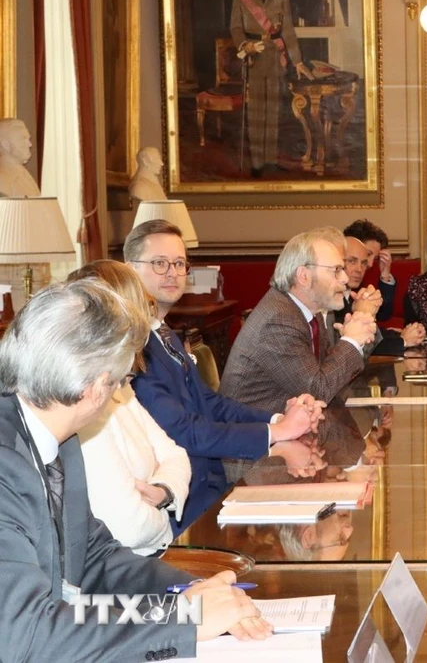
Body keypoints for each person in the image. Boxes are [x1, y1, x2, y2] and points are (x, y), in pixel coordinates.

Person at [0, 279, 272, 659]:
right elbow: (26, 634)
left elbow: (96, 558)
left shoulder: (57, 436)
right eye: (120, 381)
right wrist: (180, 624)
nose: (118, 394)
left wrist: (191, 597)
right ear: (95, 389)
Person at [126, 220, 323, 533]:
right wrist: (278, 432)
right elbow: (187, 432)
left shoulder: (165, 333)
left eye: (179, 264)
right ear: (130, 269)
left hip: (211, 491)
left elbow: (209, 402)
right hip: (182, 511)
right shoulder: (133, 347)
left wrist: (277, 420)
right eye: (159, 263)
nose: (173, 273)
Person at [67, 261, 191, 557]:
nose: (148, 319)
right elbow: (128, 528)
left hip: (149, 551)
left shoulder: (121, 386)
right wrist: (164, 520)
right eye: (143, 307)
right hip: (126, 567)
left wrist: (163, 491)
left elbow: (176, 454)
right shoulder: (87, 401)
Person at [222, 228, 376, 413]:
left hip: (293, 425)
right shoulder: (278, 320)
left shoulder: (309, 311)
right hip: (256, 432)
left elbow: (327, 374)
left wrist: (351, 339)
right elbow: (318, 391)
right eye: (336, 270)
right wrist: (351, 341)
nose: (344, 278)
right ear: (304, 276)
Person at [229, 0, 313, 178]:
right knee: (257, 111)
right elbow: (235, 29)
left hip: (276, 57)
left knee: (274, 110)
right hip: (254, 57)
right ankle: (257, 162)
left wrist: (297, 61)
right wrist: (245, 46)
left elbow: (288, 32)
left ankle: (271, 160)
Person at [331, 236, 425, 355]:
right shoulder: (332, 299)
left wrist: (399, 335)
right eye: (352, 261)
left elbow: (376, 328)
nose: (360, 269)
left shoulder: (351, 292)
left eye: (363, 263)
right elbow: (358, 347)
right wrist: (403, 341)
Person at [344, 219, 396, 322]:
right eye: (368, 254)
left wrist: (385, 275)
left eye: (375, 258)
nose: (371, 264)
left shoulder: (358, 279)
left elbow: (382, 315)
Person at [0, 117, 41, 196]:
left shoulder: (24, 174)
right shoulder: (2, 179)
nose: (30, 144)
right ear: (5, 145)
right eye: (23, 139)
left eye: (28, 139)